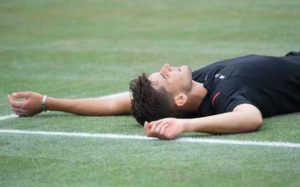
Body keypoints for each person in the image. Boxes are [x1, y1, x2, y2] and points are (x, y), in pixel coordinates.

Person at [7, 51, 300, 140]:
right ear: (180, 101)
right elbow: (250, 118)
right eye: (164, 77)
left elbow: (112, 103)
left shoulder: (197, 83)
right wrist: (184, 125)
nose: (166, 67)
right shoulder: (222, 98)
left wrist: (47, 103)